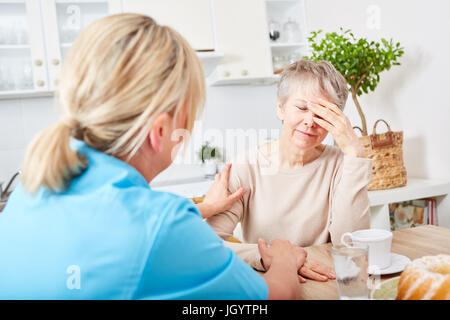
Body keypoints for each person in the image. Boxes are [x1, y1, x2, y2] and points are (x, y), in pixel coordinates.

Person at [0, 14, 306, 299]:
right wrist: (284, 261)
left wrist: (207, 207)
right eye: (189, 117)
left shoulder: (31, 191)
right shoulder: (162, 224)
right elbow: (271, 296)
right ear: (160, 131)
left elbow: (114, 225)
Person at [207, 60, 372, 281]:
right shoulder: (245, 166)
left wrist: (354, 153)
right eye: (302, 108)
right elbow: (209, 246)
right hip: (270, 282)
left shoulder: (343, 164)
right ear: (280, 108)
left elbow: (351, 245)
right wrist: (271, 257)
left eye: (323, 114)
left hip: (327, 281)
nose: (310, 121)